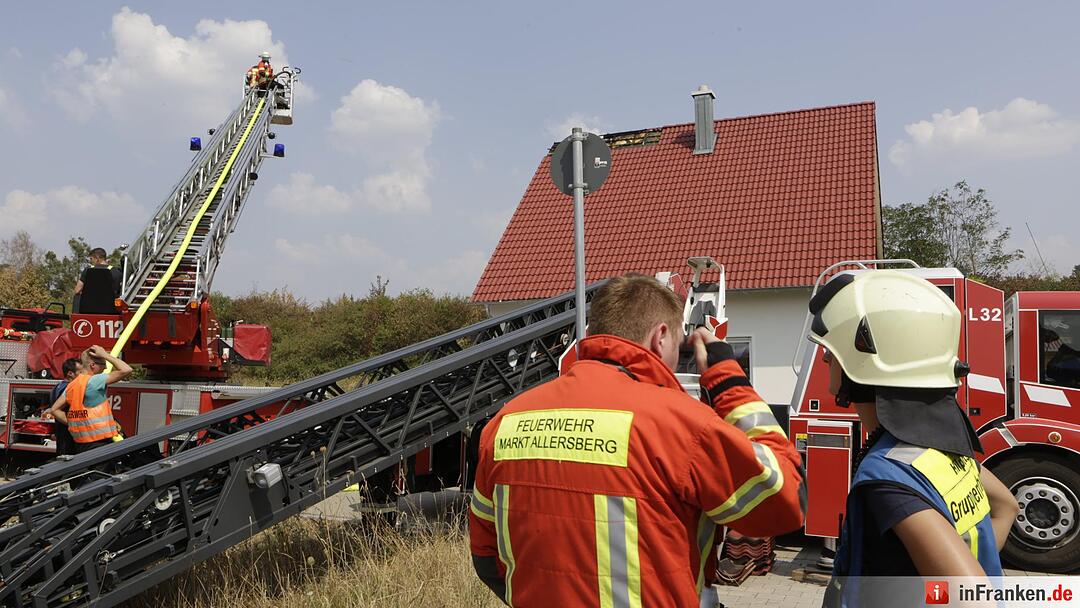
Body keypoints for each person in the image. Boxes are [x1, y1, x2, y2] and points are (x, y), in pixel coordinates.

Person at [469, 274, 805, 607]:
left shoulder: (505, 423)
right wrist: (729, 381)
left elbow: (486, 557)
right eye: (677, 345)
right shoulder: (682, 426)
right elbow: (786, 502)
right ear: (659, 337)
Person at [810, 271, 1019, 607]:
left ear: (865, 357)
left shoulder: (888, 476)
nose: (825, 358)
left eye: (831, 350)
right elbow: (1006, 507)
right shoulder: (945, 450)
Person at [50, 345, 132, 454]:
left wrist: (73, 422)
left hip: (81, 444)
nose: (106, 368)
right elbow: (127, 369)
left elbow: (54, 410)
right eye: (103, 364)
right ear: (92, 365)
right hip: (100, 443)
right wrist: (105, 355)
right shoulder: (95, 381)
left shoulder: (71, 386)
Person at [45, 357, 82, 456]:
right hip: (70, 438)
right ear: (70, 373)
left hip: (62, 437)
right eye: (80, 372)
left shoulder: (56, 387)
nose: (83, 376)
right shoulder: (69, 389)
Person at [73, 247, 122, 313]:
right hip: (111, 310)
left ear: (97, 258)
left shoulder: (88, 270)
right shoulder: (117, 272)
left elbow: (77, 290)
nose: (90, 261)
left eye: (91, 259)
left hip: (88, 309)